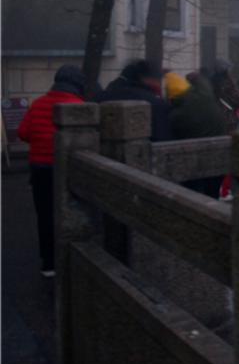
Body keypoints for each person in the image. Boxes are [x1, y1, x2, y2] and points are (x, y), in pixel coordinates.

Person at [17, 65, 86, 276]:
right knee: (70, 213)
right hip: (66, 169)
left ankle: (48, 263)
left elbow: (23, 133)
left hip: (40, 169)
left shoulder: (38, 104)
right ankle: (71, 260)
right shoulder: (80, 106)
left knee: (44, 215)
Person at [168, 73, 229, 198]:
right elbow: (203, 83)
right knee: (212, 195)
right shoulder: (206, 96)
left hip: (194, 163)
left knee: (194, 197)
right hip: (219, 155)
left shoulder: (176, 115)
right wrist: (195, 77)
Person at [97, 59, 172, 141]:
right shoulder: (153, 103)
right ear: (146, 78)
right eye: (158, 79)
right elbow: (163, 137)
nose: (159, 83)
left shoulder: (104, 95)